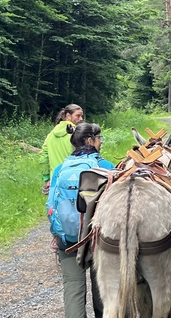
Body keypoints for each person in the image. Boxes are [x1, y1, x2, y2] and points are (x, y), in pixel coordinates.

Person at [47, 122, 113, 318]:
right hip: (98, 239)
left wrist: (56, 233)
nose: (101, 143)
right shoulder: (106, 167)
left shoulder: (60, 169)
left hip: (67, 239)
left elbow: (51, 205)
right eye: (100, 138)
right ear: (90, 140)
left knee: (73, 289)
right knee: (103, 288)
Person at [39, 104, 84, 195]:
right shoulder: (77, 134)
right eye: (78, 116)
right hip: (74, 179)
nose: (81, 119)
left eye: (81, 116)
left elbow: (43, 157)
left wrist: (47, 178)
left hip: (55, 180)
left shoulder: (51, 134)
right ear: (68, 115)